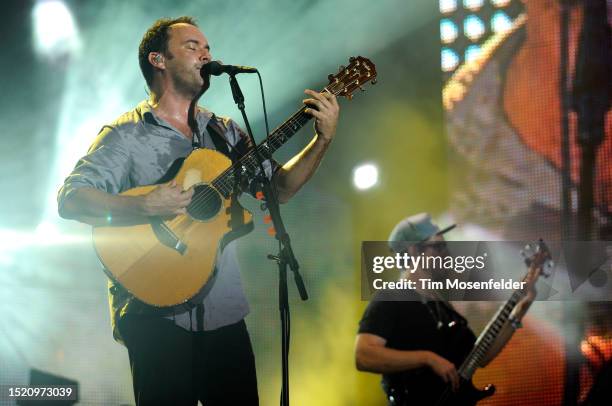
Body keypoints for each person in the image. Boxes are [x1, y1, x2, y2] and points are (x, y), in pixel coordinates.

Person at [57, 16, 339, 406]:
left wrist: (321, 140)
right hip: (154, 317)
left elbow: (280, 190)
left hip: (225, 316)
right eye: (193, 46)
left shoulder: (225, 132)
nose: (207, 54)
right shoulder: (125, 135)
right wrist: (142, 204)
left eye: (207, 48)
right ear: (159, 60)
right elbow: (71, 199)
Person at [354, 213, 536, 405]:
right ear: (414, 251)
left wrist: (520, 308)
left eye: (445, 246)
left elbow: (480, 357)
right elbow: (364, 355)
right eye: (438, 247)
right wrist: (427, 358)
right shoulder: (391, 298)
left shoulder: (441, 304)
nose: (446, 253)